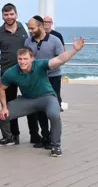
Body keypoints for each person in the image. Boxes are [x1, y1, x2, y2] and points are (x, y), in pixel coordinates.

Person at [0, 39, 85, 156]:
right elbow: (1, 87)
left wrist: (74, 50)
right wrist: (4, 107)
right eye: (20, 59)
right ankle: (9, 138)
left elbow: (59, 59)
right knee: (2, 116)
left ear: (32, 59)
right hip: (28, 100)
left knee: (54, 115)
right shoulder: (12, 72)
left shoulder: (40, 64)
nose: (22, 62)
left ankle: (55, 146)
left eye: (25, 59)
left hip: (47, 97)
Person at [0, 3, 35, 146]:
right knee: (9, 105)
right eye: (6, 14)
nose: (9, 17)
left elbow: (31, 49)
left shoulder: (24, 29)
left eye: (11, 14)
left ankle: (35, 135)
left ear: (16, 14)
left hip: (25, 73)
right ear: (2, 15)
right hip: (7, 74)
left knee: (31, 103)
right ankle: (13, 136)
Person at [24, 16, 66, 147]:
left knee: (53, 109)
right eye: (28, 28)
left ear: (41, 27)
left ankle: (55, 140)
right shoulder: (28, 42)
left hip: (53, 78)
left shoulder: (55, 40)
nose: (30, 30)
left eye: (32, 28)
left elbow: (61, 58)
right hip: (36, 80)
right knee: (39, 109)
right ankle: (45, 136)